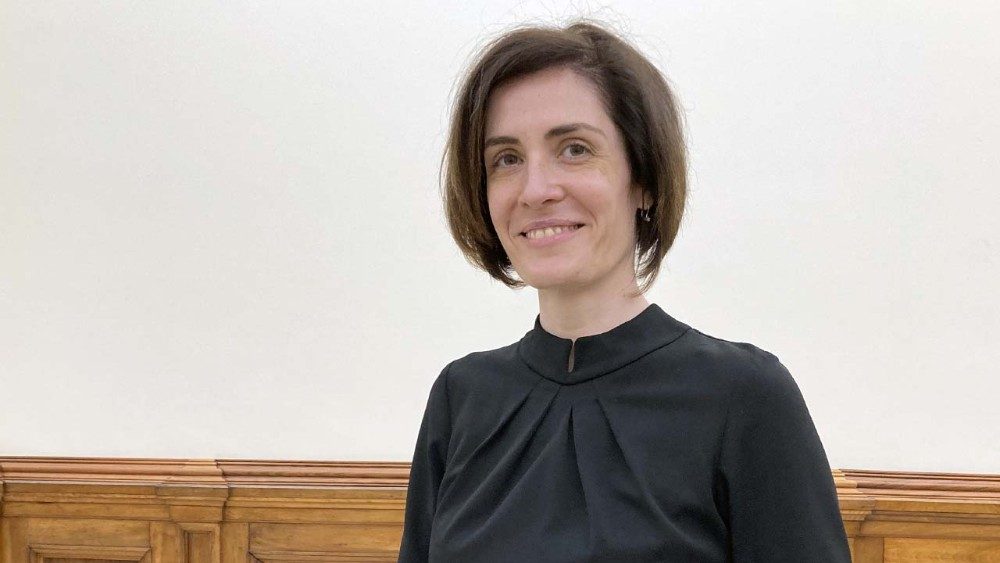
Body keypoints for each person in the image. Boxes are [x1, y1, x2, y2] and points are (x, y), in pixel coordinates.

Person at [398, 19, 851, 563]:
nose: (536, 190)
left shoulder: (745, 396)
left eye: (574, 149)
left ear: (645, 180)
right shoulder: (461, 396)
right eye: (507, 159)